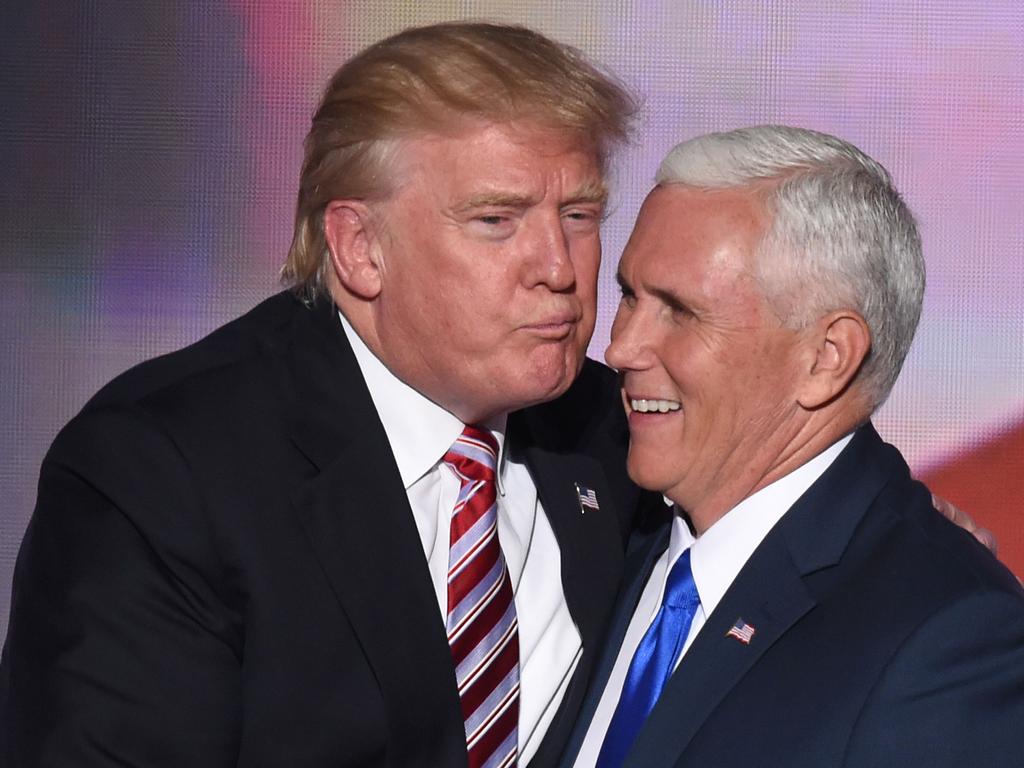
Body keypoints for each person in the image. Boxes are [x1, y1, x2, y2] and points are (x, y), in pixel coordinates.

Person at [0, 22, 662, 767]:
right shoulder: (162, 471)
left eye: (578, 215)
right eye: (496, 221)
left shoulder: (621, 429)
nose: (559, 267)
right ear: (359, 248)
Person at [563, 125, 1024, 768]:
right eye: (630, 296)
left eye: (680, 311)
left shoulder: (946, 639)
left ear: (826, 359)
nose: (621, 348)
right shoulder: (590, 516)